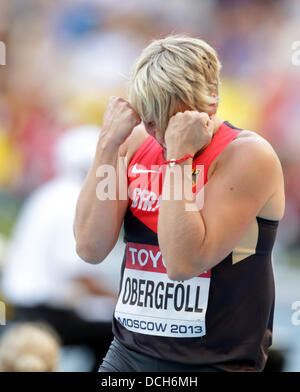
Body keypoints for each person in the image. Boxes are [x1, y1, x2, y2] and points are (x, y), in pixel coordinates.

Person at [74, 35, 285, 372]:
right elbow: (90, 247)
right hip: (128, 354)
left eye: (171, 121)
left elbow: (183, 264)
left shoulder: (248, 155)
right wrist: (107, 143)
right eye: (150, 119)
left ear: (210, 105)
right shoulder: (136, 142)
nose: (159, 135)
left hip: (216, 362)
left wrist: (178, 159)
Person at [1, 125, 122, 371]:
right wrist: (119, 299)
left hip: (23, 307)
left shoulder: (48, 193)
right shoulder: (73, 200)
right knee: (117, 336)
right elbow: (77, 271)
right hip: (46, 312)